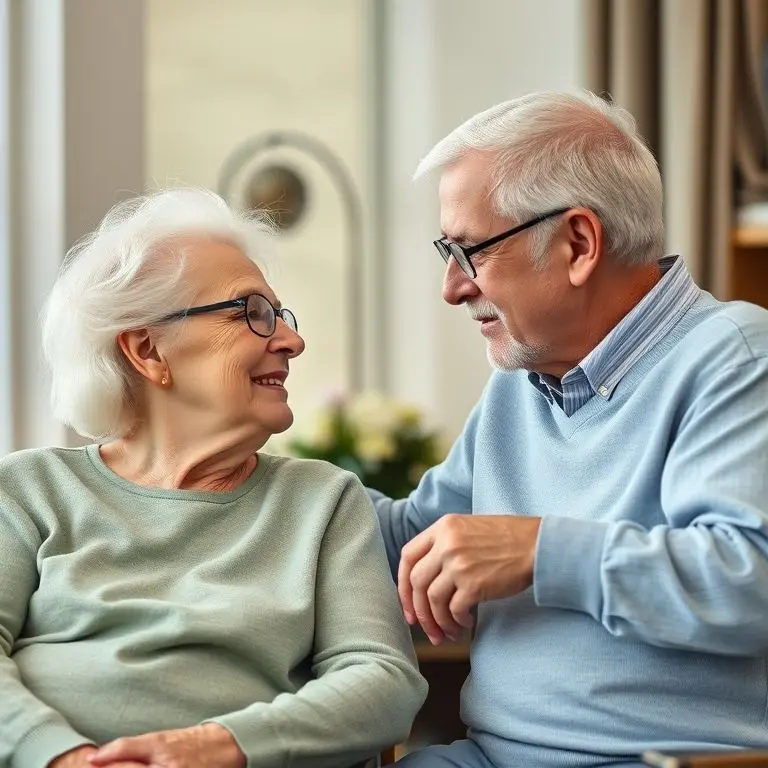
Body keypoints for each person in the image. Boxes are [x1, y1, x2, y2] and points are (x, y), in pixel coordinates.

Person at [370, 90, 768, 767]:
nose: (452, 287)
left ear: (579, 243)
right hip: (485, 757)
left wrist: (540, 551)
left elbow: (748, 580)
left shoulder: (735, 357)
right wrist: (239, 477)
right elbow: (412, 539)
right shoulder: (521, 382)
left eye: (469, 252)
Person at [0, 188, 427, 768]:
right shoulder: (28, 490)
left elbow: (383, 682)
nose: (292, 341)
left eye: (279, 316)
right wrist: (62, 757)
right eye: (251, 312)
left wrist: (219, 747)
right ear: (149, 351)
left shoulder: (323, 501)